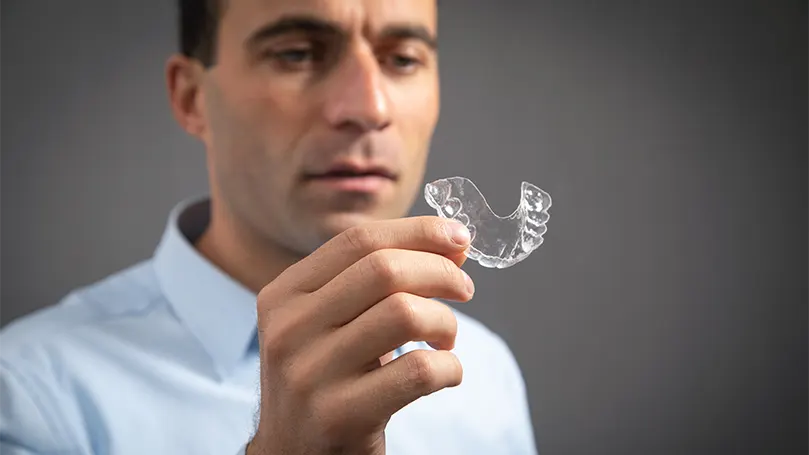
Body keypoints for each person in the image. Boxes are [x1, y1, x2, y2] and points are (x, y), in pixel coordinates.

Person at [0, 0, 538, 453]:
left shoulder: (484, 375)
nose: (369, 107)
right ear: (192, 98)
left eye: (402, 59)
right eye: (298, 54)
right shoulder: (29, 395)